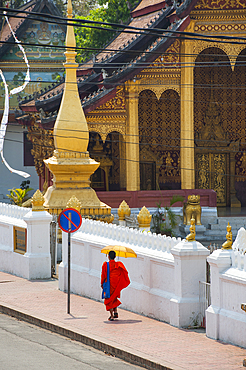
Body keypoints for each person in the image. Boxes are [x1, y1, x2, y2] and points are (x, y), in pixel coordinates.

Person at [101, 250, 130, 321]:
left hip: (109, 284)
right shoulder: (119, 264)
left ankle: (111, 316)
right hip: (116, 284)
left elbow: (103, 275)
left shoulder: (105, 264)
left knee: (109, 299)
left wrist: (102, 283)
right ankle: (115, 311)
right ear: (115, 257)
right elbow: (123, 272)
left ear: (108, 256)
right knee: (114, 298)